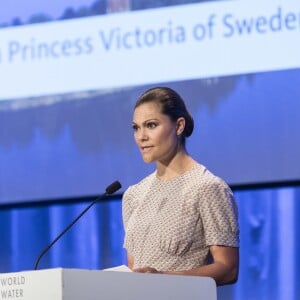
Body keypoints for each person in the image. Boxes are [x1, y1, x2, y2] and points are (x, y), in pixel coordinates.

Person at [122, 87, 239, 285]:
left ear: (179, 126)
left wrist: (164, 278)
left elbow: (228, 269)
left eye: (151, 125)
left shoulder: (207, 187)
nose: (141, 136)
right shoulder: (134, 195)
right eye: (136, 127)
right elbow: (135, 271)